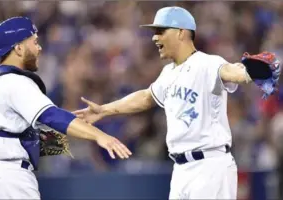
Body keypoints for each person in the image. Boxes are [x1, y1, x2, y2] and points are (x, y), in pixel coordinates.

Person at [73, 6, 255, 199]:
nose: (154, 37)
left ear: (181, 33)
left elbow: (230, 72)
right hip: (180, 169)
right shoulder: (168, 73)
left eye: (161, 31)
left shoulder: (207, 63)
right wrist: (104, 110)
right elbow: (146, 97)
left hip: (209, 165)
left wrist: (248, 72)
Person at [0, 16, 132, 200]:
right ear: (18, 48)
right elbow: (51, 116)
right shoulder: (16, 81)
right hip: (11, 179)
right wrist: (99, 135)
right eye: (34, 42)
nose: (39, 48)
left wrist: (64, 136)